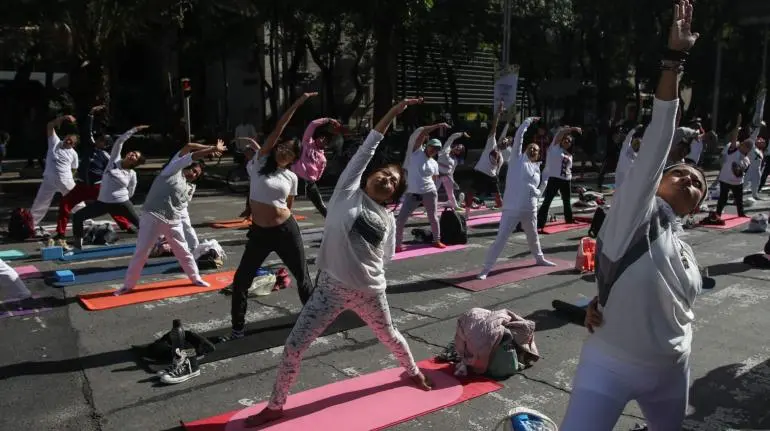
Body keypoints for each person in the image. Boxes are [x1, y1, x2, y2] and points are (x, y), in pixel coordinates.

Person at [241, 98, 432, 428]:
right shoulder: (347, 191)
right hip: (329, 290)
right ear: (370, 175)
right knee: (294, 347)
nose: (386, 181)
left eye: (392, 183)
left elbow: (385, 258)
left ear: (394, 194)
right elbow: (370, 145)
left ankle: (413, 371)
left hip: (371, 292)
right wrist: (392, 113)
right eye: (384, 175)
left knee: (391, 338)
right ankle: (275, 406)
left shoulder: (387, 221)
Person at [560, 4, 705, 429]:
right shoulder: (636, 213)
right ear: (657, 181)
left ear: (696, 206)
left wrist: (598, 300)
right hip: (609, 365)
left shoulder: (682, 245)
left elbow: (658, 298)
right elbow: (660, 136)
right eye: (679, 173)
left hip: (672, 370)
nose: (689, 181)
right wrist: (674, 60)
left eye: (698, 183)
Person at [221, 93, 317, 343]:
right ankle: (237, 328)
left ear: (294, 159)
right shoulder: (260, 161)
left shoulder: (291, 178)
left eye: (289, 152)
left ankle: (313, 319)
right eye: (282, 147)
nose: (283, 151)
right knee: (241, 281)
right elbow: (279, 128)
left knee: (302, 277)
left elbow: (288, 205)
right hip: (260, 234)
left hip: (285, 230)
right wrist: (297, 102)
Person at [115, 141, 225, 295]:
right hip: (152, 216)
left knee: (184, 252)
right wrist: (211, 149)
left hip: (173, 221)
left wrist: (178, 224)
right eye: (193, 169)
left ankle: (195, 278)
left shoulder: (190, 187)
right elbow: (190, 149)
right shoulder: (172, 170)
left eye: (197, 174)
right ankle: (128, 285)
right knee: (142, 252)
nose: (193, 174)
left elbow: (181, 208)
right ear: (187, 166)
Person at [478, 117, 555, 280]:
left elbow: (538, 192)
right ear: (526, 149)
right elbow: (519, 136)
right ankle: (486, 268)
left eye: (536, 149)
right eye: (531, 147)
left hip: (530, 209)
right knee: (501, 239)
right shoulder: (516, 160)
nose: (534, 150)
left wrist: (543, 185)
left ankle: (539, 258)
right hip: (512, 209)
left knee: (533, 236)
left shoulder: (537, 169)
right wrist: (527, 122)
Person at [54, 106, 135, 247]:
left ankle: (126, 225)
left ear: (106, 145)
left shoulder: (107, 156)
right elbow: (87, 131)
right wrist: (91, 114)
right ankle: (60, 232)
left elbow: (116, 169)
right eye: (98, 139)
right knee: (65, 203)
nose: (98, 140)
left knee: (111, 206)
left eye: (102, 140)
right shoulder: (90, 147)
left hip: (97, 186)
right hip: (81, 185)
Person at [70, 125, 149, 249]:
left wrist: (124, 199)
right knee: (78, 216)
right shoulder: (114, 161)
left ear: (135, 163)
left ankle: (156, 241)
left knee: (141, 224)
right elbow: (119, 142)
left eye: (135, 156)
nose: (132, 155)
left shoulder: (132, 174)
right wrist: (134, 130)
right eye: (132, 152)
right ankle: (78, 243)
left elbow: (131, 190)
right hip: (103, 202)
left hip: (122, 203)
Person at [29, 115, 79, 236]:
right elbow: (50, 126)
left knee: (76, 201)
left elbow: (74, 169)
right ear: (65, 137)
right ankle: (30, 225)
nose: (68, 141)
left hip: (65, 180)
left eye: (71, 141)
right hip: (48, 180)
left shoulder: (73, 154)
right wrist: (64, 118)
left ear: (74, 144)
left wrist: (69, 179)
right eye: (67, 139)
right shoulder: (54, 142)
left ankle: (88, 221)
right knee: (40, 203)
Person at [395, 136, 446, 251]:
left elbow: (434, 178)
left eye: (437, 149)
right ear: (427, 146)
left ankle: (437, 240)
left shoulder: (434, 163)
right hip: (413, 193)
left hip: (429, 192)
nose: (434, 150)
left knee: (433, 217)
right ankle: (398, 244)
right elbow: (420, 136)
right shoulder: (416, 154)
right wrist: (437, 126)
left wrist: (432, 190)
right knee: (401, 219)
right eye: (432, 147)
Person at [462, 101, 506, 221]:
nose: (504, 143)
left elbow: (497, 169)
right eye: (503, 141)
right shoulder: (491, 144)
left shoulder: (502, 156)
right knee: (470, 192)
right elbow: (494, 127)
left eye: (506, 143)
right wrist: (498, 113)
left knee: (498, 198)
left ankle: (504, 216)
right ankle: (466, 213)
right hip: (480, 172)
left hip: (491, 176)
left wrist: (495, 179)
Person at [291, 117, 341, 217]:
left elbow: (319, 175)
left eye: (325, 140)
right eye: (321, 137)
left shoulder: (322, 159)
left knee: (320, 205)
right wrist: (328, 120)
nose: (321, 139)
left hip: (310, 182)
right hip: (296, 178)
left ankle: (332, 221)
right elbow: (312, 124)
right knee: (284, 199)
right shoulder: (307, 142)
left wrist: (312, 177)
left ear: (327, 145)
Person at [536, 125, 581, 230]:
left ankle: (569, 219)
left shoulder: (569, 154)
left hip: (566, 180)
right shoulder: (555, 147)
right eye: (565, 140)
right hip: (554, 179)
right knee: (547, 201)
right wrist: (573, 129)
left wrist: (571, 178)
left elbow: (568, 169)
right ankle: (540, 222)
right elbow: (560, 133)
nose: (567, 142)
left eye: (569, 141)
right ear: (561, 140)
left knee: (566, 200)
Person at [436, 132, 468, 210]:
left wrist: (453, 181)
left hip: (447, 176)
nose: (457, 148)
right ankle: (427, 208)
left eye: (459, 149)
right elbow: (452, 137)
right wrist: (462, 134)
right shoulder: (446, 149)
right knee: (433, 191)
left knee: (450, 193)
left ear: (459, 153)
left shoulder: (455, 161)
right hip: (437, 175)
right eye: (457, 146)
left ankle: (456, 206)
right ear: (454, 146)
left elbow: (452, 172)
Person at [614, 125, 644, 190]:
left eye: (638, 145)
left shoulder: (637, 155)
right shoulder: (626, 148)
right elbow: (628, 137)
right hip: (620, 176)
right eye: (636, 143)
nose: (637, 146)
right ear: (633, 143)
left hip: (628, 179)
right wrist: (634, 129)